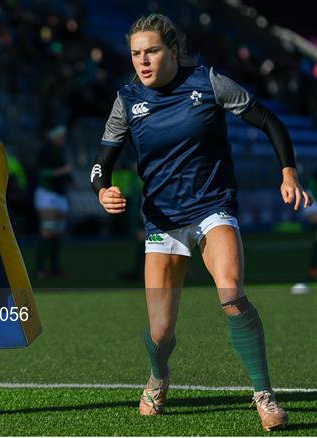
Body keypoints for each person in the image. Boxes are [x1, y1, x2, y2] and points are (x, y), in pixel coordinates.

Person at [90, 13, 313, 431]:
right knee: (160, 332)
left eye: (152, 50)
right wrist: (102, 191)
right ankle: (159, 375)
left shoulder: (209, 83)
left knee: (232, 294)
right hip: (162, 219)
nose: (143, 60)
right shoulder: (126, 100)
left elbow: (268, 120)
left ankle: (264, 394)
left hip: (213, 207)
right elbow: (101, 165)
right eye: (136, 53)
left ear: (172, 50)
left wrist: (288, 172)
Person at [34, 125, 73, 278]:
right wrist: (62, 172)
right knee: (47, 231)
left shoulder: (61, 151)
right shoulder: (45, 152)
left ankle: (55, 268)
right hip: (47, 194)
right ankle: (40, 269)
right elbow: (41, 172)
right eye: (61, 135)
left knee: (57, 233)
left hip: (60, 195)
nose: (63, 138)